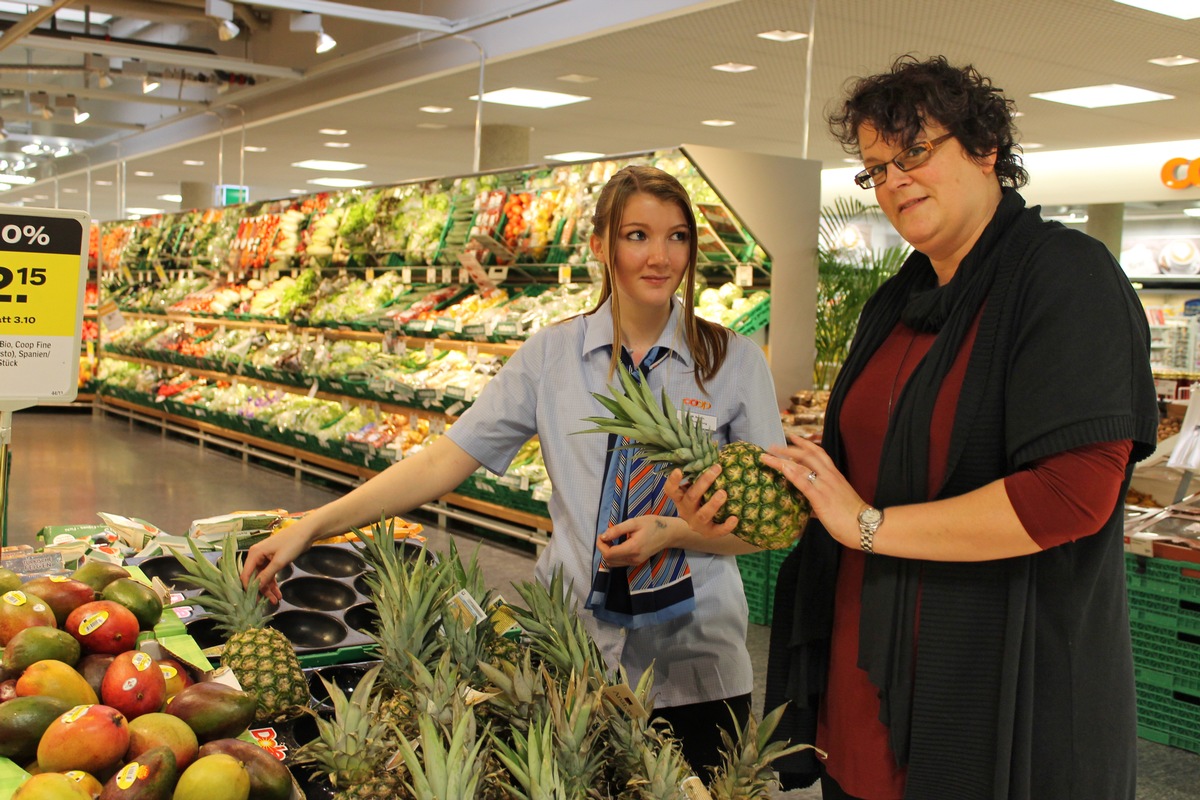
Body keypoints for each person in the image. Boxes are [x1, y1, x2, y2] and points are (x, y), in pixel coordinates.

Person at [672, 56, 1159, 799]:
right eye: (875, 168)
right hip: (867, 681)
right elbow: (848, 484)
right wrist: (718, 516)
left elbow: (1070, 496)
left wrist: (867, 524)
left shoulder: (1067, 278)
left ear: (986, 149)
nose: (893, 180)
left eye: (915, 152)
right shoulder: (897, 300)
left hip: (992, 691)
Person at [240, 164, 785, 777]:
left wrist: (675, 533)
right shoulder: (551, 357)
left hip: (697, 665)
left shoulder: (734, 364)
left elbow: (770, 527)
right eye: (637, 235)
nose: (660, 256)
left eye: (677, 236)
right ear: (600, 245)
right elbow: (445, 459)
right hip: (574, 663)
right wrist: (314, 525)